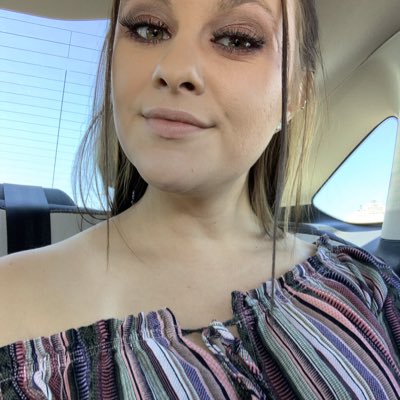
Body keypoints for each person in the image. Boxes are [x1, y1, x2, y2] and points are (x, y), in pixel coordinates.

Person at [0, 0, 399, 398]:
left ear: (295, 94)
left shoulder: (365, 283)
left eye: (237, 39)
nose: (175, 69)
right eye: (148, 29)